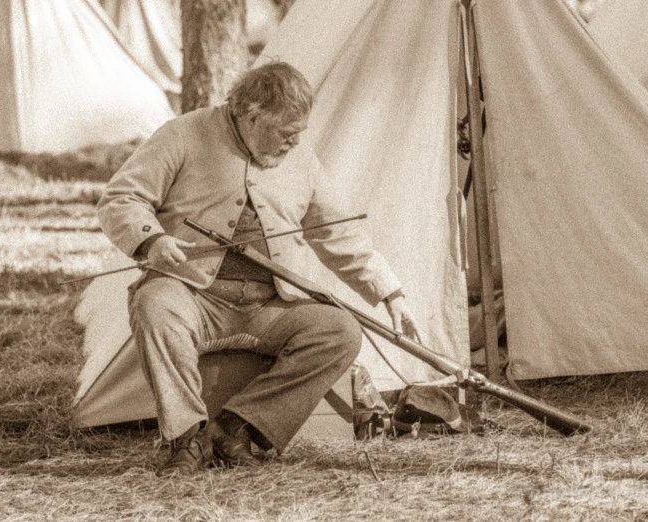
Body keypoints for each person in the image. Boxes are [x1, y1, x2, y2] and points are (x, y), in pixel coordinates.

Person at [96, 61, 420, 476]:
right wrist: (152, 240)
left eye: (298, 134)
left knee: (338, 332)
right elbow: (121, 198)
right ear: (251, 116)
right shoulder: (183, 134)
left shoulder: (301, 159)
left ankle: (235, 430)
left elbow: (337, 234)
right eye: (286, 134)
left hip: (270, 304)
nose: (293, 145)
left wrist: (389, 291)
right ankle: (187, 438)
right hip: (195, 294)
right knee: (154, 305)